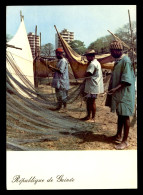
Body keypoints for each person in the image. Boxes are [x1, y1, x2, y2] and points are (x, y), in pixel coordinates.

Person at [105, 40, 135, 150]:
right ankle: (118, 135)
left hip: (125, 94)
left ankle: (125, 141)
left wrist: (115, 89)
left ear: (118, 51)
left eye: (112, 51)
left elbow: (126, 81)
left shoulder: (125, 61)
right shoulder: (118, 61)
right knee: (120, 114)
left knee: (125, 115)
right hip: (119, 93)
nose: (111, 54)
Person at [81, 49, 104, 122]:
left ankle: (93, 118)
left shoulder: (92, 64)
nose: (87, 58)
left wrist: (82, 74)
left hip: (92, 86)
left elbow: (88, 73)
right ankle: (88, 116)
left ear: (91, 56)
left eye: (87, 56)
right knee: (89, 101)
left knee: (92, 101)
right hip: (92, 85)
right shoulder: (96, 62)